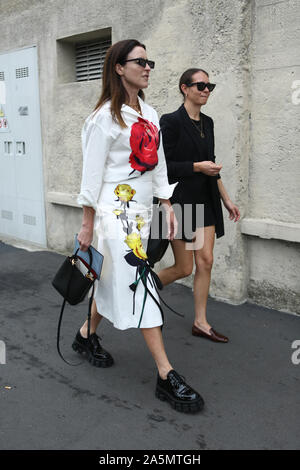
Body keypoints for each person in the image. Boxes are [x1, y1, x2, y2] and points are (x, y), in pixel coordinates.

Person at [73, 40, 204, 413]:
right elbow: (91, 175)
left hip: (143, 210)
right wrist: (87, 224)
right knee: (140, 280)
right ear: (118, 67)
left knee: (110, 276)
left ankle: (86, 335)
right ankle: (165, 374)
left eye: (150, 61)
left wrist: (167, 204)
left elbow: (159, 163)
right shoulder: (102, 119)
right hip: (114, 213)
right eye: (140, 61)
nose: (148, 67)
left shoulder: (149, 111)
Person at [158, 68, 240, 343]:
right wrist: (196, 166)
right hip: (179, 202)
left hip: (206, 200)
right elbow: (163, 168)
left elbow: (212, 166)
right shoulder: (170, 122)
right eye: (200, 85)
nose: (206, 90)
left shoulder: (209, 122)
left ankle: (201, 323)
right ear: (185, 88)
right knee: (184, 268)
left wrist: (226, 198)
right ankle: (141, 288)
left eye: (209, 86)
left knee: (206, 261)